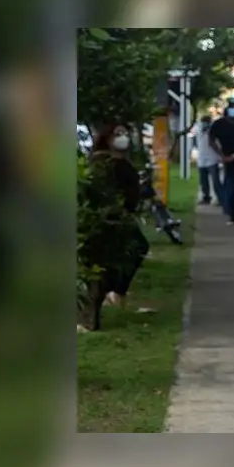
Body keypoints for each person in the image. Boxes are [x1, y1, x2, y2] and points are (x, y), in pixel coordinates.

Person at [79, 124, 150, 330]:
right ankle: (103, 301)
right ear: (107, 137)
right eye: (118, 134)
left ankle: (116, 291)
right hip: (103, 219)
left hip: (121, 217)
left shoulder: (124, 164)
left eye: (125, 133)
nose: (123, 138)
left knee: (136, 248)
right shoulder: (99, 162)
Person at [195, 115, 221, 206]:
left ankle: (220, 198)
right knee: (203, 180)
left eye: (206, 122)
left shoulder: (214, 131)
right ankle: (206, 197)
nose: (204, 124)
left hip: (212, 158)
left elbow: (215, 143)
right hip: (202, 159)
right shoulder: (199, 131)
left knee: (215, 180)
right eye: (203, 122)